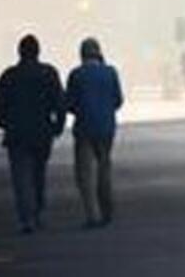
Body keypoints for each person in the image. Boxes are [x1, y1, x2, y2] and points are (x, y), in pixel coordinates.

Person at [0, 35, 66, 234]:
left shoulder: (9, 76)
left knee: (21, 177)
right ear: (38, 52)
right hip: (42, 133)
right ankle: (38, 210)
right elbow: (59, 102)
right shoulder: (49, 73)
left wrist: (4, 124)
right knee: (38, 174)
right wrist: (58, 126)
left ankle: (26, 218)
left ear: (19, 52)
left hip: (17, 134)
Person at [66, 37, 123, 229]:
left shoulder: (76, 75)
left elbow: (70, 104)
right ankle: (107, 208)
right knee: (104, 168)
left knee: (84, 173)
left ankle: (93, 215)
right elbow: (118, 100)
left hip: (84, 128)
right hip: (106, 128)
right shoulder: (110, 72)